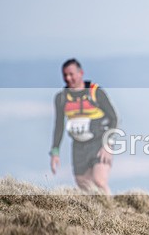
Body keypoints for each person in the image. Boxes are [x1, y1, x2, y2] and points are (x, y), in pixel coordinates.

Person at [50, 58, 118, 194]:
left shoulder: (96, 93)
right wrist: (55, 152)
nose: (68, 78)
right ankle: (96, 208)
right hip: (78, 147)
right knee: (84, 187)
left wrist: (108, 144)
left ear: (80, 73)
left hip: (99, 143)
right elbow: (59, 126)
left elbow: (114, 118)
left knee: (99, 182)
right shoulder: (61, 98)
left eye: (71, 74)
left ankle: (112, 207)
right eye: (65, 75)